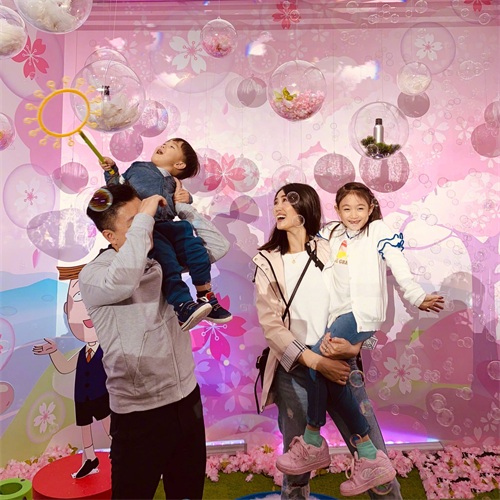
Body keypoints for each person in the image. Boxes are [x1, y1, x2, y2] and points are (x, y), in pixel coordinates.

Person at [272, 182, 444, 496]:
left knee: (318, 364)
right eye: (347, 208)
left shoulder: (377, 231)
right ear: (337, 210)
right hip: (333, 319)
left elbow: (398, 265)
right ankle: (366, 455)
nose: (353, 215)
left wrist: (417, 296)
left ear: (371, 208)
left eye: (360, 208)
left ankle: (313, 440)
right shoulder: (331, 233)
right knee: (324, 373)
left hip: (360, 316)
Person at [79, 182, 228, 499]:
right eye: (136, 222)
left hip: (187, 400)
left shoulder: (162, 257)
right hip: (139, 414)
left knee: (187, 493)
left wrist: (183, 208)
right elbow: (124, 280)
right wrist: (146, 217)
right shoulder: (94, 275)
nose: (148, 227)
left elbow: (217, 247)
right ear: (110, 236)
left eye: (148, 216)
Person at [253, 183, 396, 499]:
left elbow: (365, 306)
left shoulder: (333, 247)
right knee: (298, 467)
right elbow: (271, 326)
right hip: (296, 372)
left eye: (287, 201)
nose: (279, 207)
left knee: (376, 465)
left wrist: (356, 347)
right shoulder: (266, 260)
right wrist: (316, 361)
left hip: (342, 367)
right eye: (276, 201)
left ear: (305, 207)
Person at [99, 137, 232, 331]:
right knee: (167, 260)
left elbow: (179, 203)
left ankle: (206, 296)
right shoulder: (138, 168)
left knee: (195, 247)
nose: (163, 145)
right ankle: (182, 304)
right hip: (148, 225)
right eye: (165, 143)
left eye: (171, 146)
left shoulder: (174, 182)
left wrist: (186, 199)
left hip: (169, 225)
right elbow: (116, 187)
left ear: (179, 164)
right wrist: (111, 170)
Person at [33, 264, 111, 479]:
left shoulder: (107, 348)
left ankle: (122, 453)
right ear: (67, 309)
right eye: (78, 298)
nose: (86, 309)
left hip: (102, 395)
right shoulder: (82, 353)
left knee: (110, 426)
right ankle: (89, 458)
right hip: (83, 397)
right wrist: (53, 351)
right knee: (85, 427)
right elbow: (65, 367)